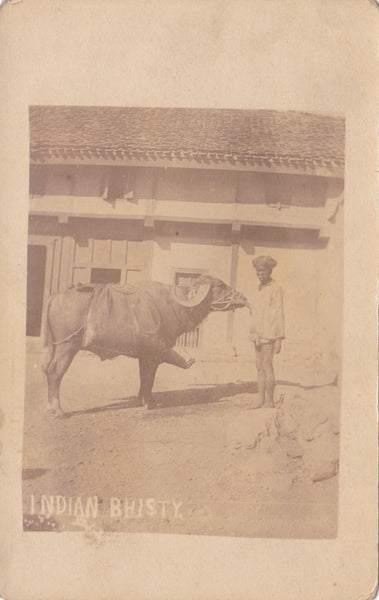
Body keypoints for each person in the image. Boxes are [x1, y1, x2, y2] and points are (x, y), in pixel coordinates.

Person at [249, 256, 285, 408]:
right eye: (258, 272)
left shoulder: (276, 288)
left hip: (270, 332)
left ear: (269, 271)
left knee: (267, 364)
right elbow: (257, 309)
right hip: (257, 331)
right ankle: (260, 399)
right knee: (258, 366)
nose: (260, 275)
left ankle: (269, 401)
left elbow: (279, 313)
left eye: (263, 272)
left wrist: (279, 338)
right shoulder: (259, 287)